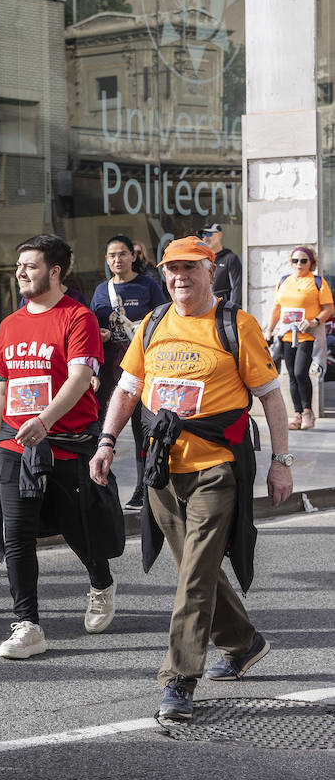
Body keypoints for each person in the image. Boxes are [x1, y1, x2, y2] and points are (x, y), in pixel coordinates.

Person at [89, 235, 290, 720]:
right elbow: (128, 389)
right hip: (161, 469)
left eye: (190, 269)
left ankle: (179, 678)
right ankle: (243, 643)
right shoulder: (154, 322)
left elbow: (271, 397)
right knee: (191, 572)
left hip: (216, 468)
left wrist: (281, 462)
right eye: (172, 270)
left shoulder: (235, 325)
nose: (180, 278)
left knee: (195, 577)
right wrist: (106, 441)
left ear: (211, 270)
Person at [0, 234, 122, 660]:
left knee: (77, 527)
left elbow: (81, 377)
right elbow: (2, 386)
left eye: (29, 265)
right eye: (19, 266)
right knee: (18, 533)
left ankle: (100, 582)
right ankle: (27, 624)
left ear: (54, 271)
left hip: (66, 442)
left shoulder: (77, 318)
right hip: (16, 444)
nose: (21, 272)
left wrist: (44, 422)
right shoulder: (10, 324)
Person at [89, 235, 168, 510]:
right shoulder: (101, 291)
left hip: (141, 368)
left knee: (141, 431)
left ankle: (143, 489)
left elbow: (162, 321)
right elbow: (90, 330)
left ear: (133, 256)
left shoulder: (148, 286)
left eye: (122, 254)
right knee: (102, 431)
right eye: (111, 255)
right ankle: (100, 487)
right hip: (110, 369)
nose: (117, 260)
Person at [264, 245, 332, 430]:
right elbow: (276, 308)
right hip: (286, 334)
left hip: (307, 335)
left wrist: (314, 321)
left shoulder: (317, 282)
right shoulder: (284, 280)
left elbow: (328, 308)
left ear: (311, 262)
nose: (299, 264)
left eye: (304, 260)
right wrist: (269, 330)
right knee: (292, 375)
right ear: (291, 262)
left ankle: (308, 412)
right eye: (295, 260)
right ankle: (297, 414)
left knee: (302, 372)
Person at [200, 224, 242, 306]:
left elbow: (237, 288)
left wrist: (231, 310)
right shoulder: (202, 259)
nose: (205, 238)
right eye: (203, 235)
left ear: (219, 235)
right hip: (204, 310)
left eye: (209, 234)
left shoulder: (230, 258)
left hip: (222, 310)